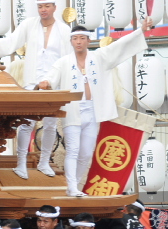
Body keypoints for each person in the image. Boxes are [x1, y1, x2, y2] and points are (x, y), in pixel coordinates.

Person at [38, 18, 153, 196]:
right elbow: (52, 76)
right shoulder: (64, 62)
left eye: (82, 38)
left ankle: (73, 186)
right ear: (71, 41)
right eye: (75, 38)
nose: (78, 42)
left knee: (86, 153)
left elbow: (120, 46)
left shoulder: (99, 57)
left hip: (93, 110)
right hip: (73, 110)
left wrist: (141, 31)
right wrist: (46, 82)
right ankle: (72, 186)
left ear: (88, 40)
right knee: (73, 150)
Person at [0, 0, 72, 181]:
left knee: (50, 124)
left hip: (54, 82)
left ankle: (44, 162)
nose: (43, 10)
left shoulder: (64, 30)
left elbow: (67, 59)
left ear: (54, 7)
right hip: (32, 80)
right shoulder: (29, 25)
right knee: (27, 123)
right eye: (40, 6)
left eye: (47, 6)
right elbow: (12, 41)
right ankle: (21, 164)